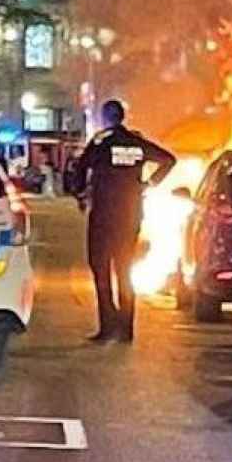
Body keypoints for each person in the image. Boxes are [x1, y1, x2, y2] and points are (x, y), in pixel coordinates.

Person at [65, 99, 177, 344]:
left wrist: (80, 194)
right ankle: (126, 330)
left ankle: (108, 327)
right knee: (125, 271)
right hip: (130, 214)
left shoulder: (100, 142)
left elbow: (81, 168)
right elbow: (169, 159)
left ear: (106, 118)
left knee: (101, 270)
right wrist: (148, 184)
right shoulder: (137, 142)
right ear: (123, 117)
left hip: (104, 214)